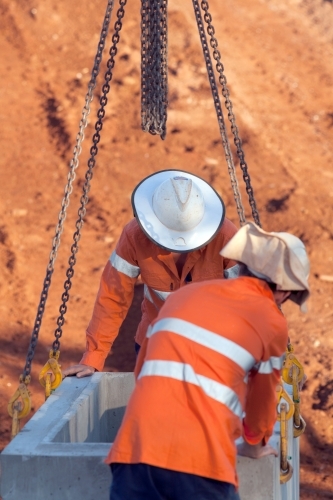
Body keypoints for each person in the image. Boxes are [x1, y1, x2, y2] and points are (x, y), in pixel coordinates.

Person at [106, 221, 310, 500]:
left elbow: (143, 369)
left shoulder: (183, 296)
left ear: (243, 266)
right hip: (201, 464)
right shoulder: (271, 320)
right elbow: (262, 403)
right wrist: (253, 445)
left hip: (133, 453)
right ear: (285, 292)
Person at [63, 169, 239, 378]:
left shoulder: (226, 236)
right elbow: (113, 296)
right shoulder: (134, 236)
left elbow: (252, 300)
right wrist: (93, 357)